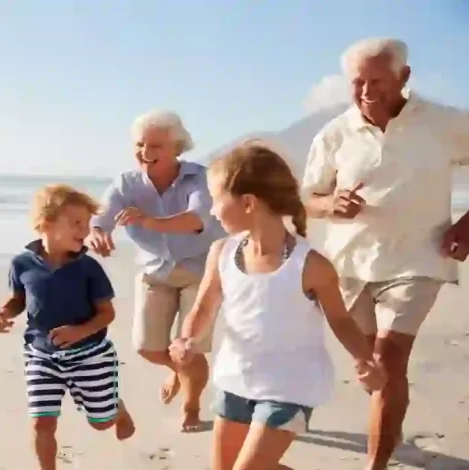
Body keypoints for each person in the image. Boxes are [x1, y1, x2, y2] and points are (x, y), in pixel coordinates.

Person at [301, 37, 469, 469]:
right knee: (372, 372)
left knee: (388, 359)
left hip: (419, 258)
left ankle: (375, 463)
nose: (366, 91)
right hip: (350, 264)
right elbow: (306, 198)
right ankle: (389, 426)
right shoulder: (335, 133)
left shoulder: (444, 122)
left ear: (404, 77)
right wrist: (329, 205)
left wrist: (467, 223)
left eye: (378, 80)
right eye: (358, 81)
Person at [169, 142, 387, 470]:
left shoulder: (310, 265)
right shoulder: (222, 252)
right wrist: (187, 339)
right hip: (235, 380)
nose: (212, 211)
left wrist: (363, 359)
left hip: (290, 388)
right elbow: (202, 308)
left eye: (216, 200)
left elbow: (341, 320)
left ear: (248, 203)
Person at [87, 110, 225, 431]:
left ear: (177, 147)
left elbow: (196, 219)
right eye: (140, 144)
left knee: (187, 351)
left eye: (155, 146)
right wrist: (98, 232)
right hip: (154, 272)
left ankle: (191, 408)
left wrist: (149, 221)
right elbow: (102, 215)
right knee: (147, 347)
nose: (145, 153)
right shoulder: (127, 184)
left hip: (201, 272)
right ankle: (176, 370)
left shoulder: (200, 178)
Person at [0, 184, 135, 470]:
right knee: (42, 422)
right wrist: (6, 312)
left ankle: (116, 410)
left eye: (87, 223)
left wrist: (78, 332)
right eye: (76, 223)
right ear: (46, 224)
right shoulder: (21, 264)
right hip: (41, 355)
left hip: (89, 354)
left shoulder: (88, 268)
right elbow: (20, 299)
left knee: (101, 422)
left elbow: (107, 313)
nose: (85, 230)